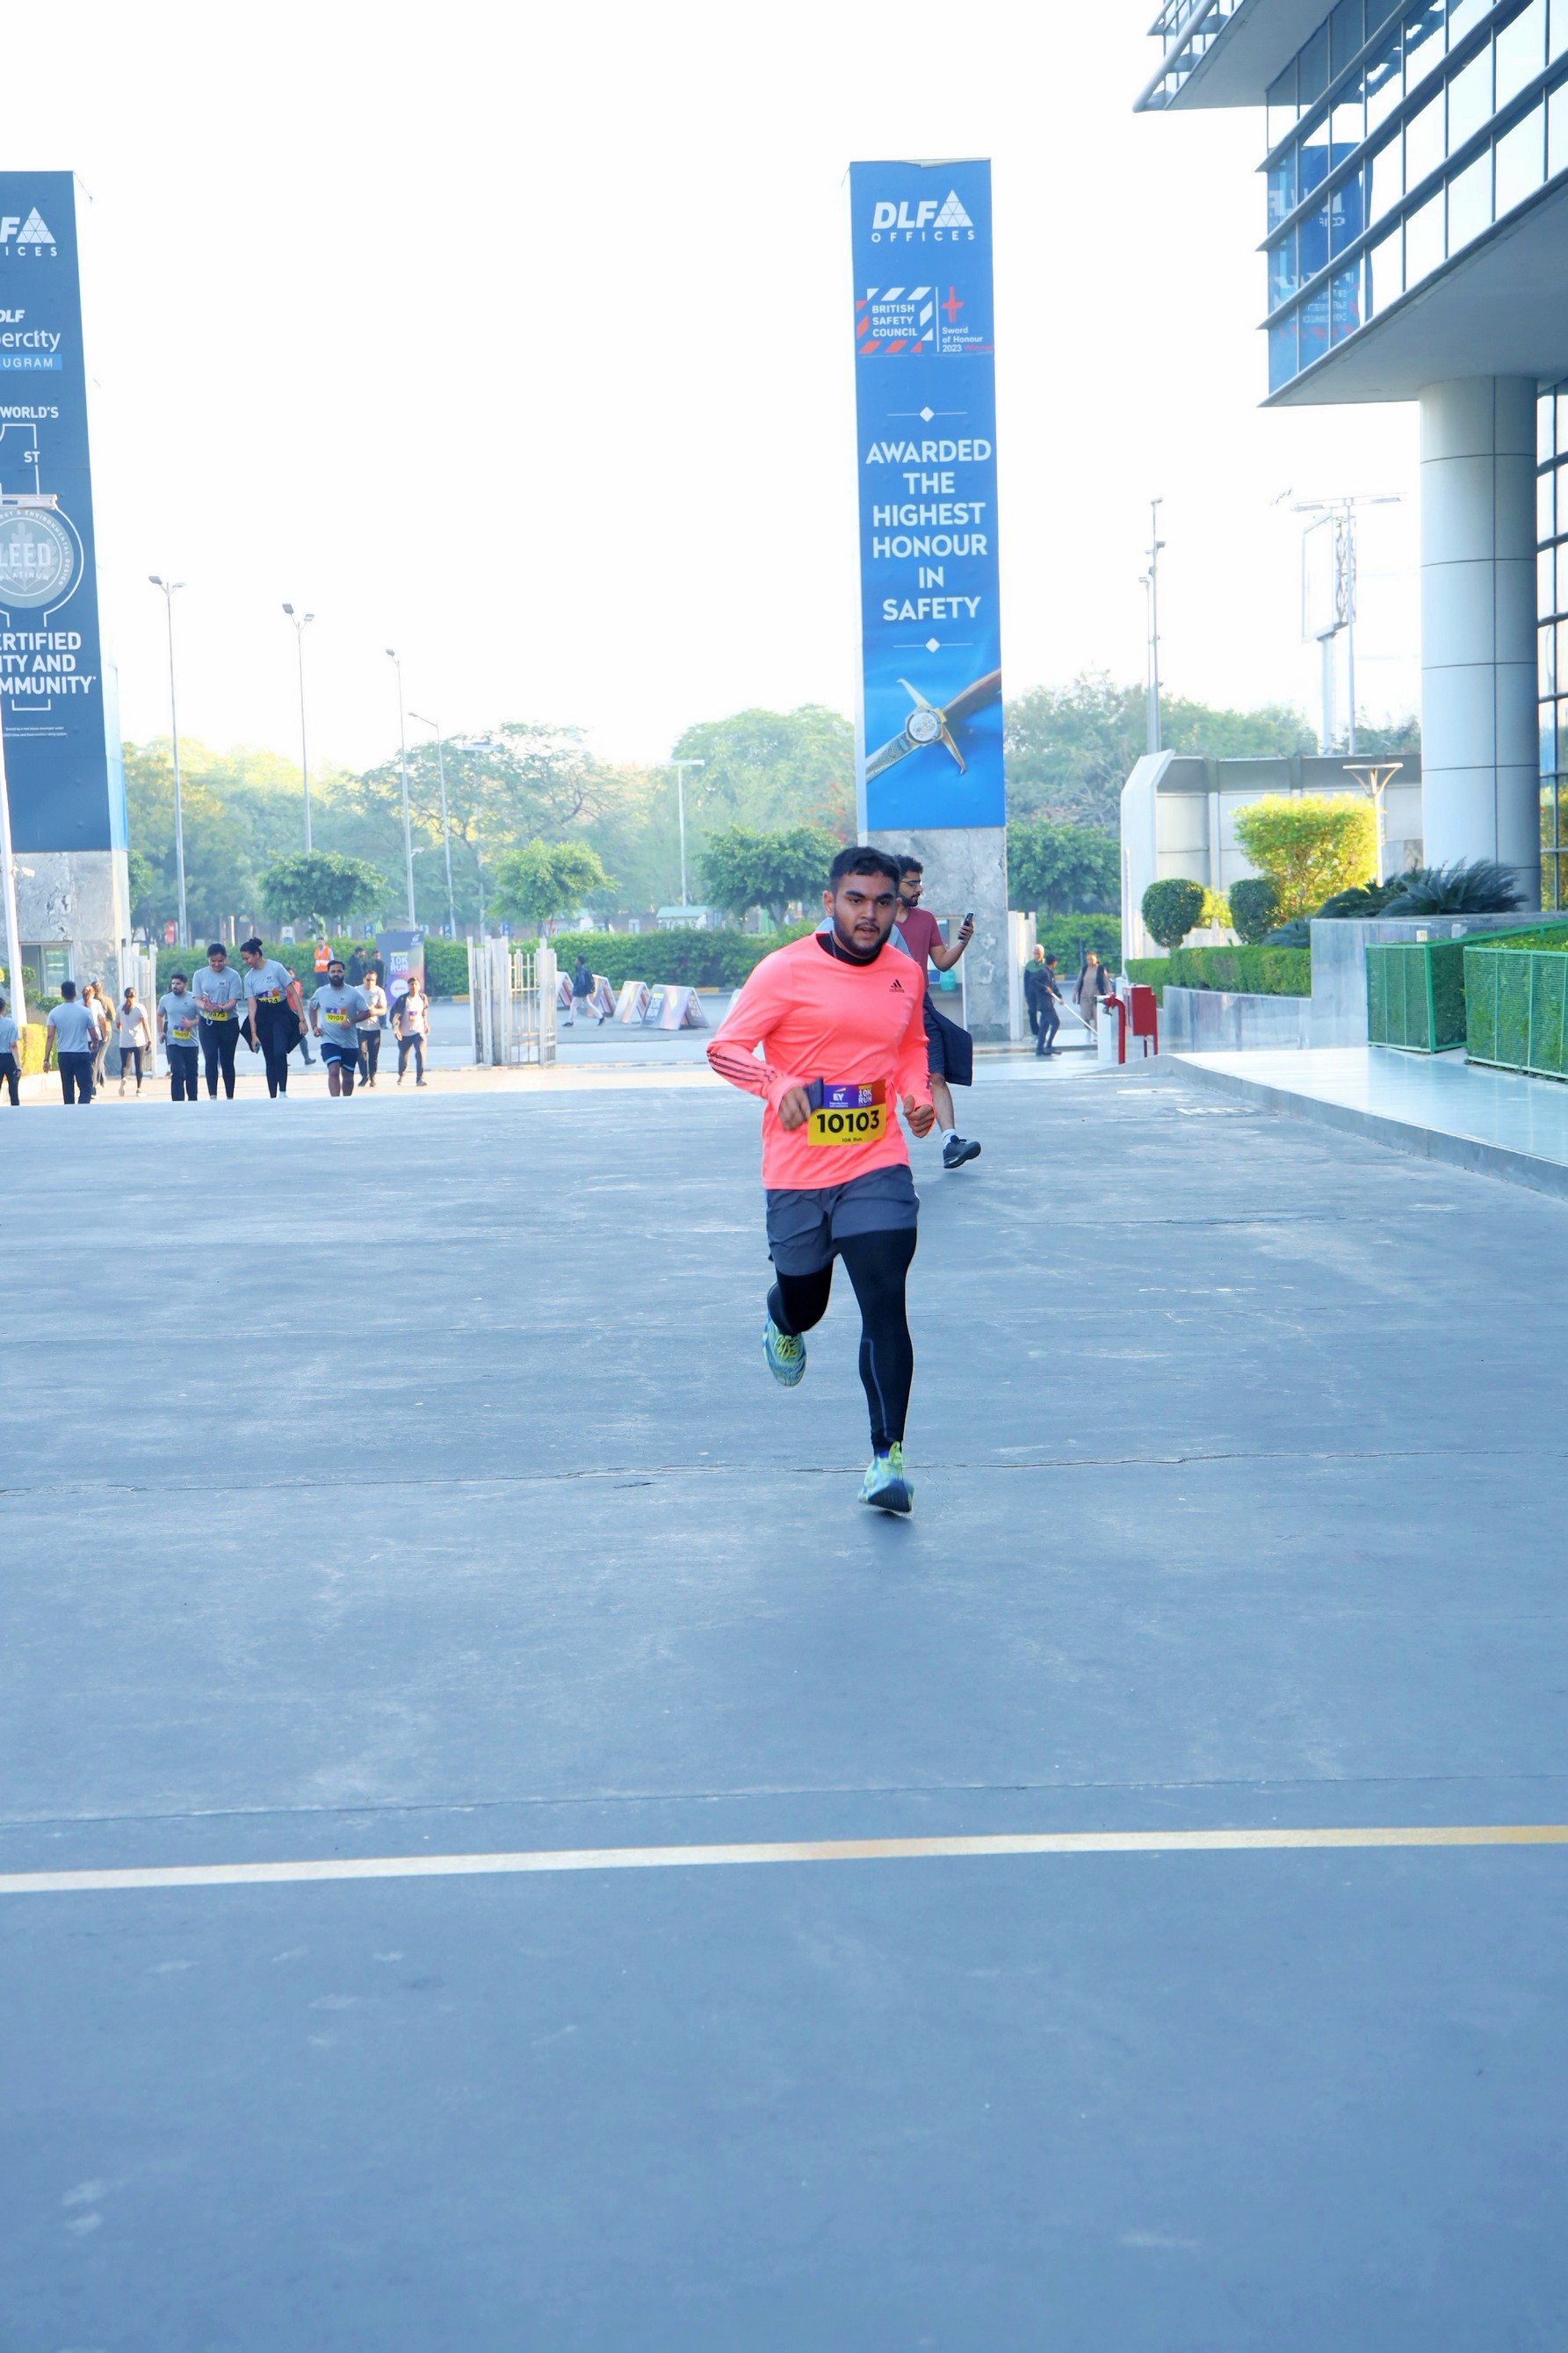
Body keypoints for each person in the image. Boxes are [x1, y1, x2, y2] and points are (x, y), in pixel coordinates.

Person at [708, 843, 936, 1515]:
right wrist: (775, 1084)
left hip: (875, 1162)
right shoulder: (784, 970)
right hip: (797, 1171)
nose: (869, 915)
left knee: (884, 1303)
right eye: (855, 900)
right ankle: (782, 1318)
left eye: (883, 902)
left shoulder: (904, 973)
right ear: (830, 902)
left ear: (897, 906)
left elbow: (908, 1048)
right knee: (806, 1303)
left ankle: (887, 1458)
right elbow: (724, 1048)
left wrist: (916, 1095)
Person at [894, 858, 980, 1170]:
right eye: (912, 883)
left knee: (937, 1076)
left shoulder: (926, 919)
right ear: (894, 883)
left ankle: (950, 1142)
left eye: (920, 882)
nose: (919, 889)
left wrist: (962, 942)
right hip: (883, 1013)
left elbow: (942, 962)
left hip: (921, 1009)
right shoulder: (877, 920)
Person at [240, 937, 308, 1099]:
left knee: (279, 1052)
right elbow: (252, 1007)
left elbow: (293, 994)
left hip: (281, 1015)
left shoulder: (276, 968)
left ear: (257, 954)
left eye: (247, 958)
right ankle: (273, 1095)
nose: (245, 962)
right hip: (263, 1017)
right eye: (243, 959)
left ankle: (283, 1091)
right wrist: (254, 1034)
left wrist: (302, 1019)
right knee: (269, 1056)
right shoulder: (249, 978)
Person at [307, 957, 371, 1097]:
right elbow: (312, 1008)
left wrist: (350, 1020)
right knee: (334, 1070)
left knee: (348, 1076)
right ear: (328, 974)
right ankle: (335, 1101)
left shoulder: (353, 993)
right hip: (329, 1040)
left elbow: (366, 1012)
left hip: (349, 1042)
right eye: (333, 972)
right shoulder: (321, 992)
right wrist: (314, 1027)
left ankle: (346, 1102)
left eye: (339, 971)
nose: (336, 974)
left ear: (344, 973)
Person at [192, 942, 245, 1099]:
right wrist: (206, 1007)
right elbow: (197, 999)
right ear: (208, 959)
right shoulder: (199, 975)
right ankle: (213, 1096)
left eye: (220, 961)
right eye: (213, 961)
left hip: (228, 1023)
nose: (216, 964)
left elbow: (233, 1001)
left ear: (225, 959)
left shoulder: (233, 976)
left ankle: (230, 1096)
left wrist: (220, 1009)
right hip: (208, 1022)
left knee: (227, 1059)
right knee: (210, 1058)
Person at [44, 979, 101, 1104]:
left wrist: (46, 1059)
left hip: (64, 1055)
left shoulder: (54, 1013)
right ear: (75, 993)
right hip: (81, 1054)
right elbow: (94, 1035)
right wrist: (95, 1045)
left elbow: (50, 1036)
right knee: (86, 1087)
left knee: (67, 1088)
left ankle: (69, 1110)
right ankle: (81, 1108)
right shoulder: (85, 1012)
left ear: (62, 994)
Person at [157, 973, 200, 1103]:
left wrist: (190, 1023)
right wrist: (161, 1032)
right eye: (173, 984)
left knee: (191, 1073)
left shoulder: (194, 998)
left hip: (191, 1042)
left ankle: (192, 1099)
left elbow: (201, 1018)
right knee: (177, 1071)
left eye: (178, 984)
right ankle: (177, 1101)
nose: (175, 986)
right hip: (173, 1042)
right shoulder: (165, 999)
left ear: (185, 984)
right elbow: (159, 1015)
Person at [114, 986, 153, 1096]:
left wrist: (123, 1030)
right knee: (139, 1065)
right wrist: (149, 1038)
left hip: (124, 1040)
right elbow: (145, 1024)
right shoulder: (140, 1008)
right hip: (138, 1041)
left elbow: (117, 1024)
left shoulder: (120, 1008)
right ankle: (139, 1088)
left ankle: (124, 1078)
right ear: (135, 996)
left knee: (125, 1065)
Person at [394, 978, 430, 1085]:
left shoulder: (422, 998)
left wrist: (426, 1024)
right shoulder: (402, 999)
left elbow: (424, 1012)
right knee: (403, 1056)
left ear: (419, 986)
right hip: (404, 1032)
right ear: (408, 986)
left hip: (418, 1030)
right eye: (411, 984)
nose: (413, 986)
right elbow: (395, 1015)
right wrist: (396, 1029)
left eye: (415, 984)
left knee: (420, 1053)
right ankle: (402, 1075)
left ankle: (420, 1078)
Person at [357, 969, 388, 1087]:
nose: (370, 982)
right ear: (363, 979)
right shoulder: (357, 991)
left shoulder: (379, 991)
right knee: (361, 1052)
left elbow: (383, 1010)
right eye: (368, 980)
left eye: (373, 980)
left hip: (374, 1027)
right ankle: (364, 1076)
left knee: (373, 1054)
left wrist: (375, 1011)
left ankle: (373, 1076)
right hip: (360, 1026)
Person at [83, 981, 112, 1095]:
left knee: (86, 1062)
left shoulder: (78, 1004)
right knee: (95, 1062)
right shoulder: (97, 1003)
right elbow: (104, 1020)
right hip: (96, 1035)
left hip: (83, 1036)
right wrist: (105, 1034)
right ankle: (94, 1086)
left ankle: (88, 1085)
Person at [1031, 952, 1064, 1059]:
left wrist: (1060, 997)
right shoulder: (1043, 971)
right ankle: (1049, 1046)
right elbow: (1033, 981)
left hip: (1049, 1002)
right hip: (1044, 1003)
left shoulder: (1050, 973)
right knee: (1056, 1022)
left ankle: (1040, 1049)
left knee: (1044, 1026)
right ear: (1054, 962)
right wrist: (1044, 988)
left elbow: (1054, 987)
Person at [1076, 950, 1111, 1030]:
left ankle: (1097, 1032)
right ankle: (1089, 1030)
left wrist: (1109, 992)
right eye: (1088, 959)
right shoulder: (1084, 970)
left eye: (1091, 959)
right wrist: (1075, 992)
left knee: (1097, 1017)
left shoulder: (1101, 969)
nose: (1090, 961)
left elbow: (1106, 982)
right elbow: (1078, 982)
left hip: (1097, 996)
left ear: (1096, 959)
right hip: (1085, 996)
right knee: (1085, 1016)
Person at [0, 992, 20, 1107]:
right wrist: (18, 1065)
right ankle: (15, 1110)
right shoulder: (10, 1024)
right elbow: (13, 1045)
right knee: (13, 1088)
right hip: (9, 1058)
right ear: (4, 1009)